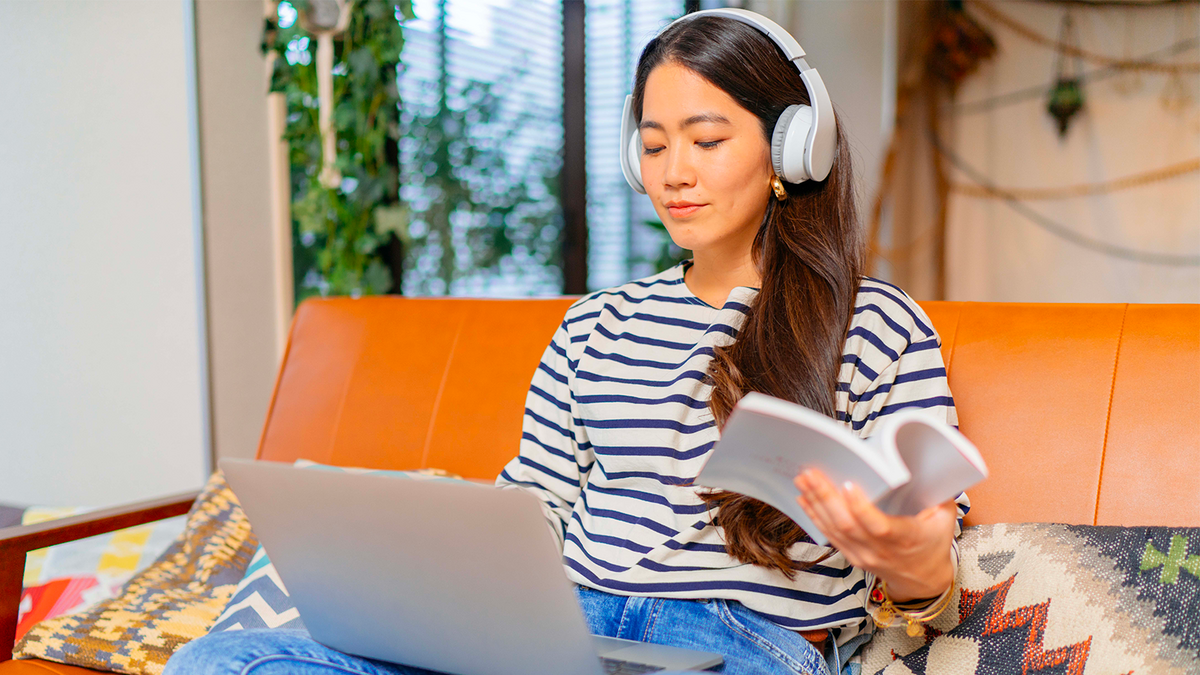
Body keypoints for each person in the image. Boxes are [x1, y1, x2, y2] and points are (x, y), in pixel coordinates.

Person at [166, 9, 965, 675]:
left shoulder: (874, 323)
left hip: (742, 645)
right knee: (217, 662)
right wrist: (452, 575)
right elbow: (539, 506)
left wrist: (913, 557)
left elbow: (934, 566)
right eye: (653, 146)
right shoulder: (594, 325)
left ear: (794, 148)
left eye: (707, 140)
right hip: (559, 633)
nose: (673, 173)